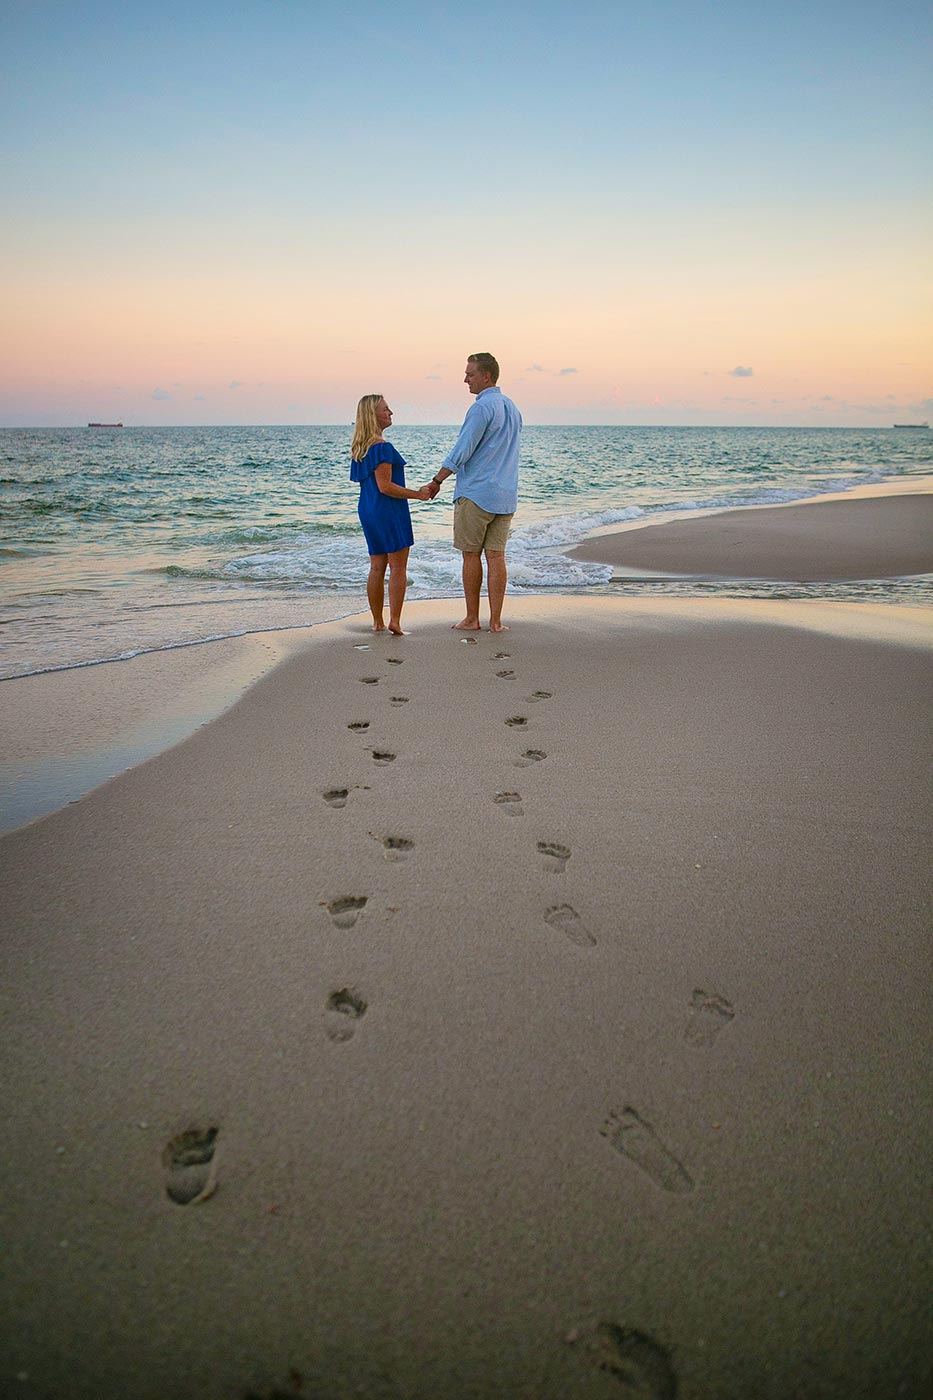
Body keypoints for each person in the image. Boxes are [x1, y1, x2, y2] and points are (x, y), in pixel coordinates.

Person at [427, 352, 521, 632]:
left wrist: (437, 480)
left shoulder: (481, 408)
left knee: (471, 555)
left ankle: (471, 619)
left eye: (470, 373)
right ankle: (496, 621)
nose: (465, 379)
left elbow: (462, 449)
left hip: (477, 493)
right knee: (496, 556)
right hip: (505, 495)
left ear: (486, 376)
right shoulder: (512, 407)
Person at [350, 394, 434, 635]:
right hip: (388, 510)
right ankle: (395, 621)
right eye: (385, 409)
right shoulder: (382, 448)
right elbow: (385, 486)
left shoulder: (360, 448)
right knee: (398, 567)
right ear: (372, 416)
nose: (391, 413)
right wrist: (417, 494)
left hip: (367, 509)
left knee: (377, 567)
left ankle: (377, 622)